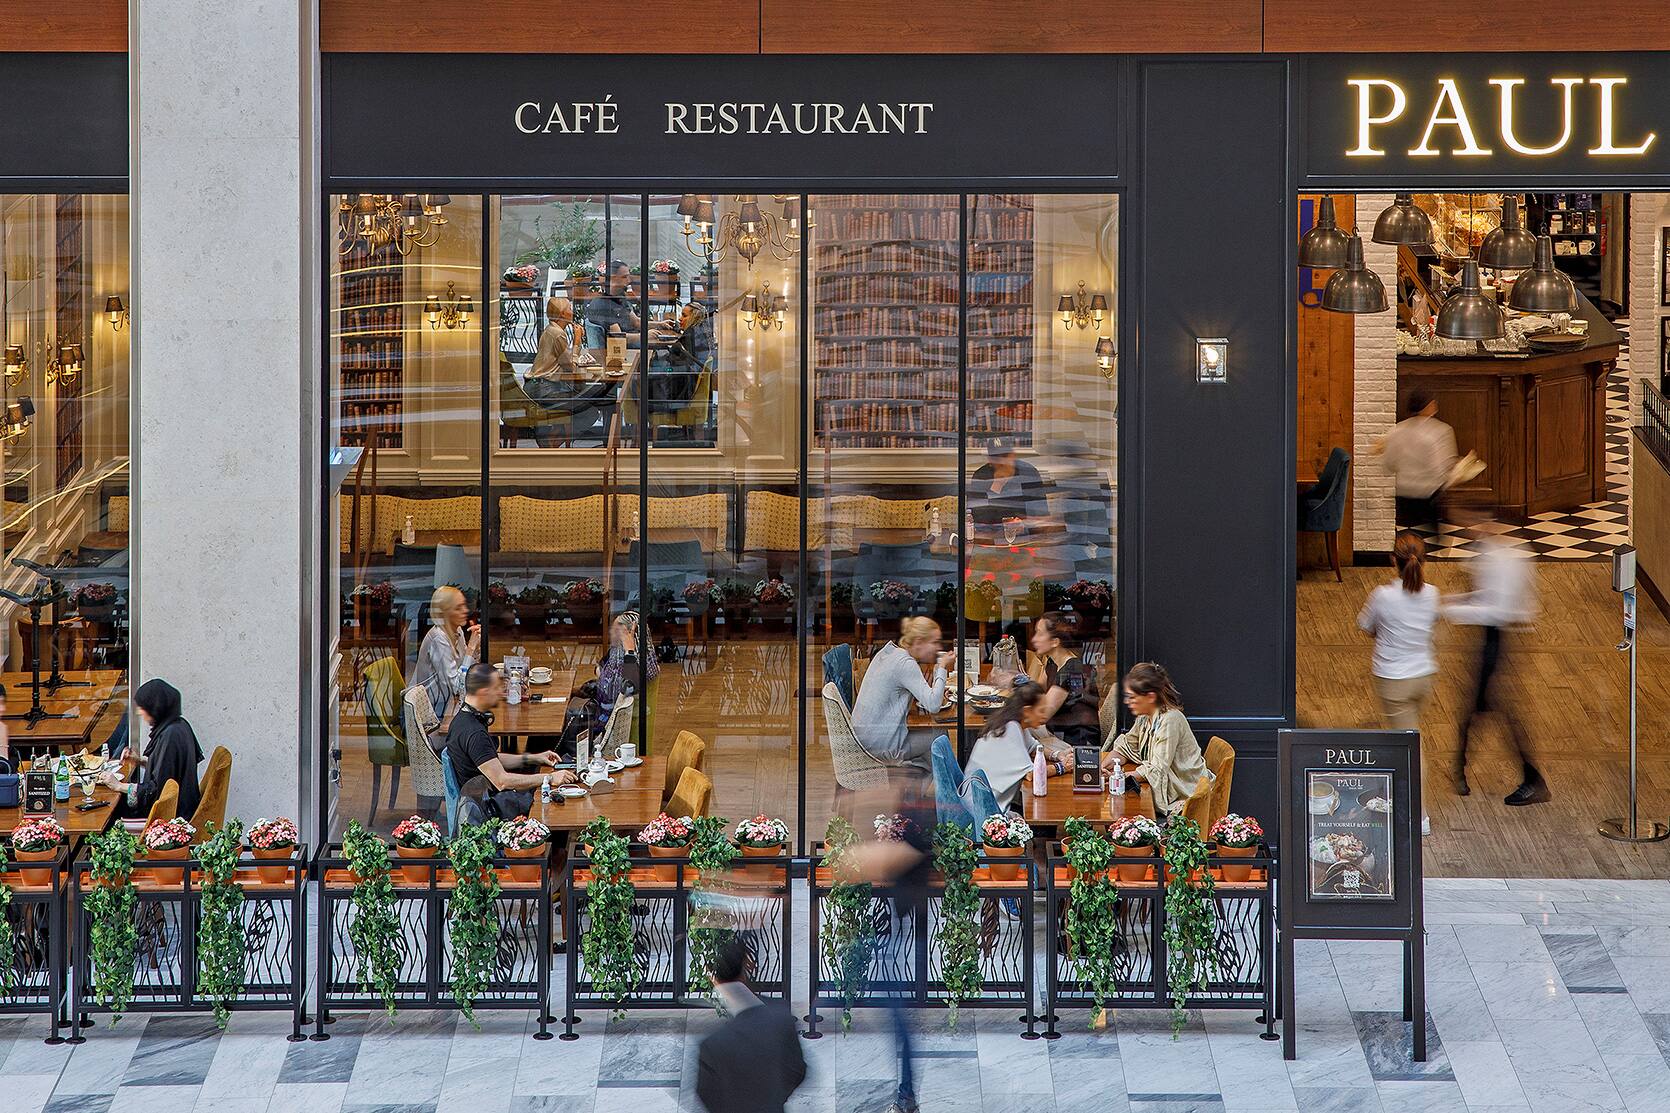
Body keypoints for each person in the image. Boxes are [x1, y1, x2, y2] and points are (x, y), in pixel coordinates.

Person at [833, 785, 935, 1113]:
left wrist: (858, 852)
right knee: (899, 1023)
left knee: (901, 1025)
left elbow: (872, 862)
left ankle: (907, 1097)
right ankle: (906, 1095)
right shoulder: (914, 829)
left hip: (901, 944)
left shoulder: (914, 839)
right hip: (900, 938)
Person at [1445, 517, 1549, 806]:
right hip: (1494, 640)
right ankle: (1460, 768)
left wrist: (1454, 610)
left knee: (1490, 709)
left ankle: (1531, 779)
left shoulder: (1505, 560)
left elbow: (1498, 610)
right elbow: (1487, 597)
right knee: (1480, 708)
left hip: (1498, 642)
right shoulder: (1499, 554)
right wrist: (1460, 601)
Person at [1358, 530, 1441, 833]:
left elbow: (1365, 625)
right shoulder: (1432, 594)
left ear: (1393, 560)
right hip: (1423, 677)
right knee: (1407, 736)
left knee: (1410, 747)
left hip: (1394, 680)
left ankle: (1419, 816)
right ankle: (1393, 795)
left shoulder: (1383, 596)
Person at [444, 664, 575, 817]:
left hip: (486, 798)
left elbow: (490, 759)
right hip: (488, 810)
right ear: (483, 692)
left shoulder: (462, 719)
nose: (501, 692)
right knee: (557, 803)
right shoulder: (474, 733)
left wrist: (534, 758)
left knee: (539, 758)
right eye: (496, 688)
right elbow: (502, 781)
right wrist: (550, 778)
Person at [695, 934, 807, 1113]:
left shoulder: (712, 1046)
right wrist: (773, 1098)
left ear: (715, 978)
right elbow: (797, 1070)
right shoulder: (781, 1016)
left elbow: (707, 1095)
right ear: (747, 968)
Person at [1100, 662, 1210, 817]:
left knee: (1125, 812)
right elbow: (1126, 747)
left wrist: (1119, 777)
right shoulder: (1145, 716)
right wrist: (1102, 768)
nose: (1127, 701)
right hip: (1171, 788)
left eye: (1132, 697)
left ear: (1150, 697)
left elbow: (1157, 769)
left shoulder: (1170, 720)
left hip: (1185, 794)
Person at [850, 616, 955, 770]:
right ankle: (948, 782)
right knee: (940, 734)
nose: (938, 648)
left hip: (863, 738)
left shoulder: (889, 652)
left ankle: (929, 781)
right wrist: (942, 667)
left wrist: (935, 690)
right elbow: (933, 705)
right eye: (934, 642)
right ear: (918, 642)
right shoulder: (906, 664)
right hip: (879, 746)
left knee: (931, 742)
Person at [100, 678, 204, 819]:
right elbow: (169, 771)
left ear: (155, 709)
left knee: (108, 812)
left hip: (171, 816)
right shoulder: (179, 725)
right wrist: (139, 761)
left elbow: (158, 790)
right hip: (183, 806)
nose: (139, 712)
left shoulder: (170, 736)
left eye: (143, 708)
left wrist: (119, 786)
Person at [966, 684, 1073, 812]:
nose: (1045, 716)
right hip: (981, 809)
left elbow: (1034, 749)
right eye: (1041, 711)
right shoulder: (1010, 730)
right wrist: (1062, 767)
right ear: (1027, 711)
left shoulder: (1015, 724)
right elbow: (1031, 774)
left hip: (983, 801)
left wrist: (1058, 755)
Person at [1376, 392, 1457, 536]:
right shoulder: (1441, 431)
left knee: (1405, 539)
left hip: (1403, 495)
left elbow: (1388, 465)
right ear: (1429, 406)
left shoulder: (1397, 430)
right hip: (1428, 495)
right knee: (1431, 540)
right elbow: (1440, 469)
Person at [1025, 611, 1102, 747]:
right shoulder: (1052, 662)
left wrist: (1014, 709)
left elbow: (1043, 714)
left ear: (1055, 642)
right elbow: (1036, 691)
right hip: (1057, 733)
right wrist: (1016, 683)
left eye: (1040, 634)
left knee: (1020, 733)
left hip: (1077, 743)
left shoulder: (1072, 668)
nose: (1034, 639)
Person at [413, 585, 479, 731]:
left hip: (446, 707)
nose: (465, 611)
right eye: (458, 608)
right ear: (446, 613)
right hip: (428, 718)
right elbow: (456, 687)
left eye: (464, 605)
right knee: (478, 729)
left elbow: (465, 673)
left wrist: (475, 651)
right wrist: (471, 648)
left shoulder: (457, 631)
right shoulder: (439, 639)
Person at [966, 437, 1050, 542]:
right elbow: (979, 520)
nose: (1002, 461)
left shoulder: (1028, 472)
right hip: (993, 538)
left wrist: (1024, 524)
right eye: (996, 457)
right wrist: (997, 485)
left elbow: (1040, 515)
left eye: (1005, 456)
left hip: (1025, 538)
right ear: (990, 460)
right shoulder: (981, 476)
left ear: (1012, 455)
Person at [594, 610, 658, 731]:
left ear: (630, 635)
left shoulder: (643, 660)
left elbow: (630, 686)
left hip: (623, 723)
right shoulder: (615, 653)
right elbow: (600, 667)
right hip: (607, 713)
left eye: (616, 630)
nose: (611, 633)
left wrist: (629, 651)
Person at [584, 259, 641, 346]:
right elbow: (618, 337)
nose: (629, 280)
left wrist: (660, 324)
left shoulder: (619, 296)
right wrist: (645, 336)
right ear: (613, 278)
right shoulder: (603, 305)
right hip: (621, 350)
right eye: (624, 277)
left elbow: (636, 322)